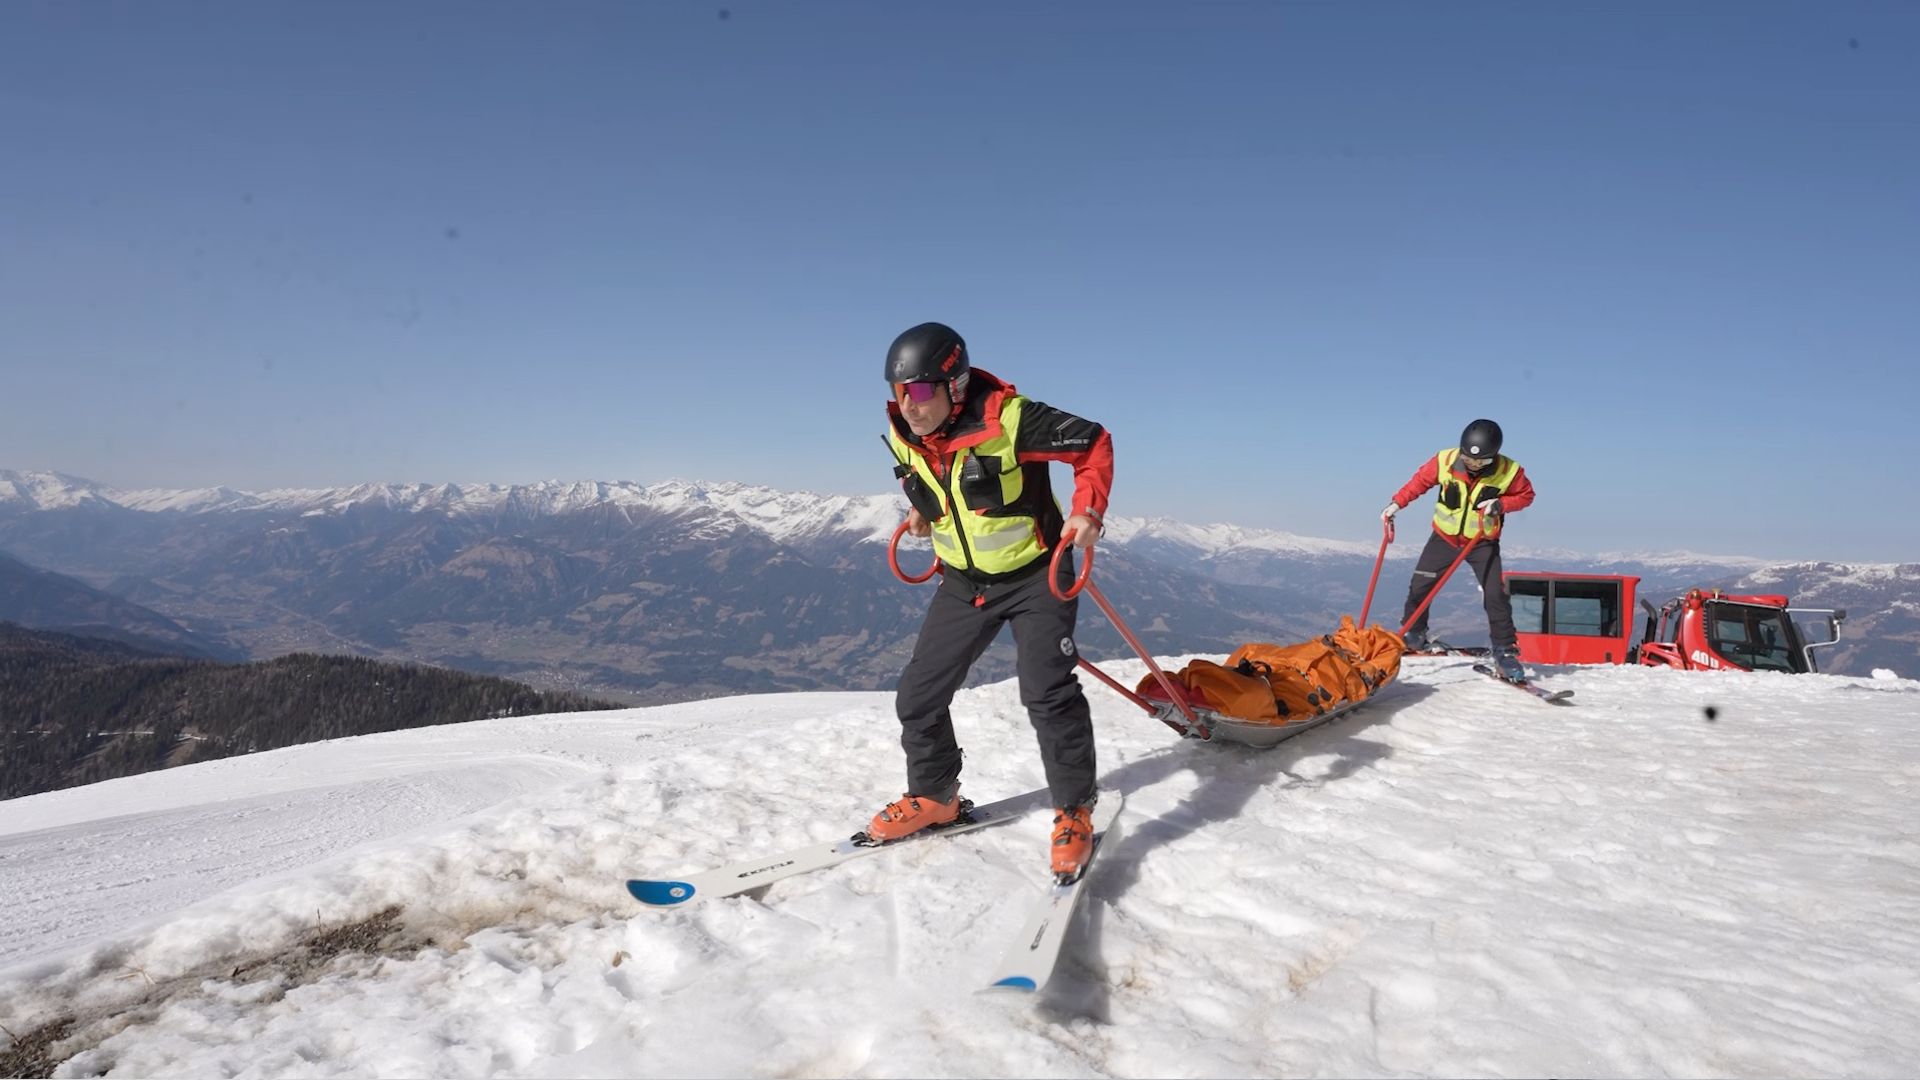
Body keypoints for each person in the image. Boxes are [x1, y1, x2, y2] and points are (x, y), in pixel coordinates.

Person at [872, 321, 1114, 879]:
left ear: (955, 386)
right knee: (918, 695)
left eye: (923, 390)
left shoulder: (1010, 418)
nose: (909, 404)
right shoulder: (909, 432)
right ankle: (935, 797)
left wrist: (1088, 509)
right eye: (900, 391)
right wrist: (924, 512)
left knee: (1047, 693)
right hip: (964, 582)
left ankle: (1074, 810)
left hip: (1036, 575)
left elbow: (1094, 442)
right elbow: (940, 480)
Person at [1381, 419, 1537, 681]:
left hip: (1482, 542)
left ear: (1494, 456)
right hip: (1444, 537)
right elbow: (1419, 482)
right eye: (1469, 458)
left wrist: (1500, 504)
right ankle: (1414, 636)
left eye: (1481, 461)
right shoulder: (1445, 460)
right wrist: (1396, 504)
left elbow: (1526, 496)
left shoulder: (1510, 471)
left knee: (1495, 594)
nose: (1474, 464)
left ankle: (1504, 651)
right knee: (1420, 586)